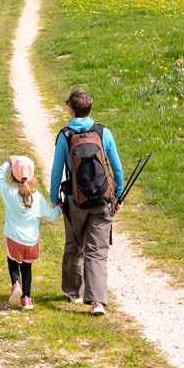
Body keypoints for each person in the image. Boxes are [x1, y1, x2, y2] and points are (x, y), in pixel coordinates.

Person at [49, 87, 124, 315]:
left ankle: (74, 291)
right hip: (102, 201)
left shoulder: (65, 136)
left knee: (74, 245)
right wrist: (118, 194)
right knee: (97, 251)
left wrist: (55, 198)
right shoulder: (103, 133)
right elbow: (117, 169)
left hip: (75, 201)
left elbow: (56, 171)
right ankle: (98, 301)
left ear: (71, 110)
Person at [0, 154, 60, 310]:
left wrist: (7, 162)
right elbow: (50, 215)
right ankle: (27, 299)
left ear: (13, 176)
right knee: (27, 268)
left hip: (14, 240)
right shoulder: (37, 198)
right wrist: (59, 209)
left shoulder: (9, 193)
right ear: (32, 177)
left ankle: (16, 283)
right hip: (31, 243)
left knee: (13, 262)